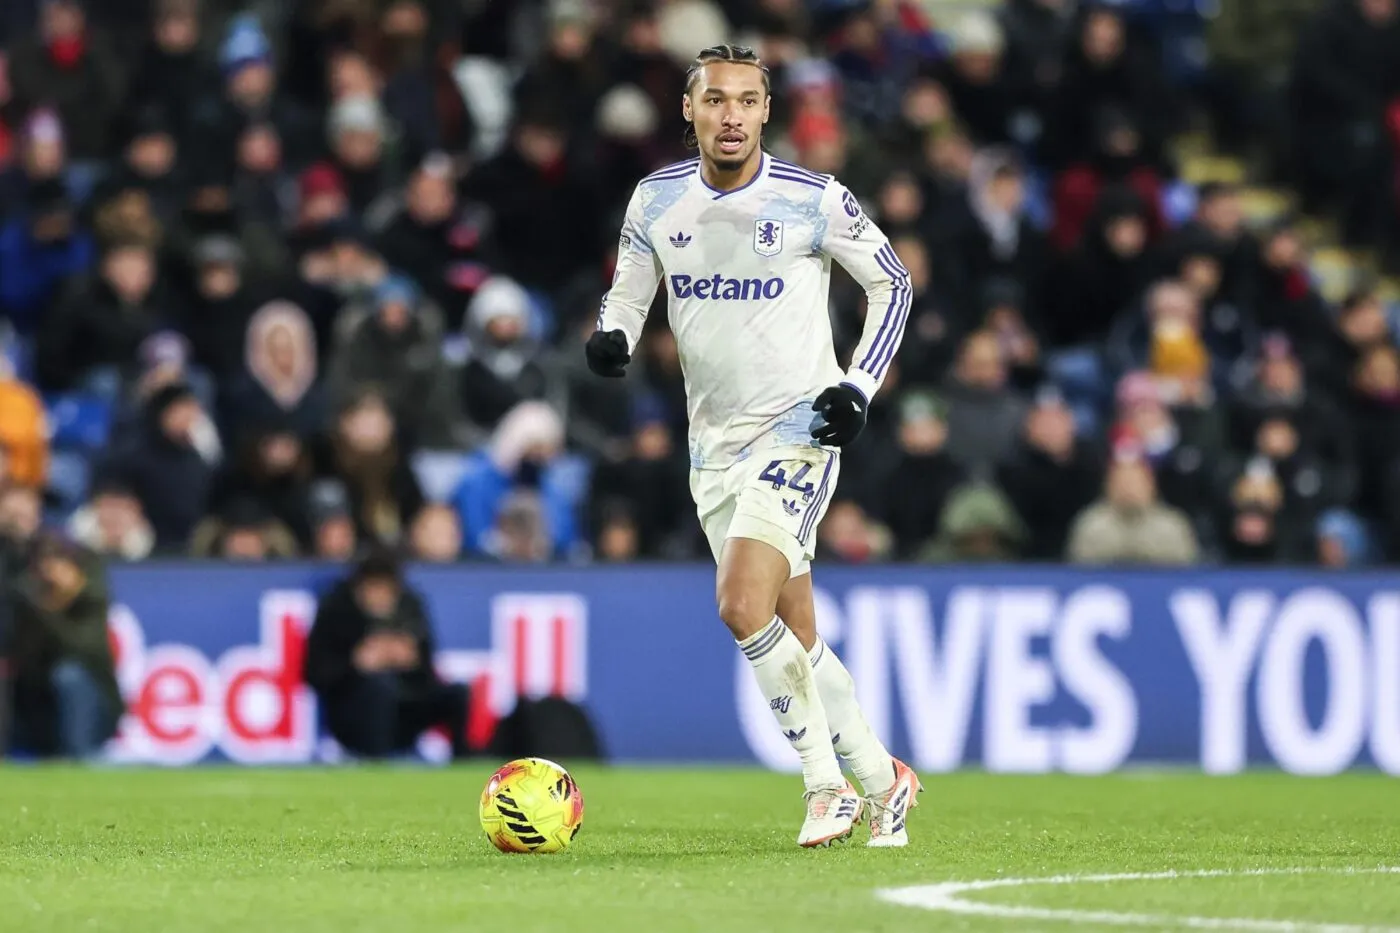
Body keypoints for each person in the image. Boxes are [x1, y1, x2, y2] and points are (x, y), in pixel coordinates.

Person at [585, 45, 918, 848]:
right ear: (689, 112)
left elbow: (892, 283)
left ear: (768, 112)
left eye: (746, 100)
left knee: (739, 602)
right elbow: (630, 287)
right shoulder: (656, 199)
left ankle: (825, 787)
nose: (730, 115)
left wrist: (858, 387)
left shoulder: (812, 199)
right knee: (795, 630)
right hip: (714, 443)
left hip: (801, 427)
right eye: (715, 100)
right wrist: (613, 334)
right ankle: (885, 778)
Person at [303, 548, 470, 760]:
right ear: (359, 588)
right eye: (372, 589)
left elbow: (428, 670)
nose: (378, 597)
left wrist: (411, 661)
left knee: (458, 693)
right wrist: (356, 665)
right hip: (354, 714)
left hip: (406, 708)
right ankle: (377, 765)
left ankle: (463, 763)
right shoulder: (335, 609)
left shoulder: (411, 605)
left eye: (385, 590)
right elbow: (313, 674)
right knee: (380, 686)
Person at [8, 534, 122, 759]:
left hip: (96, 704)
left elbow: (85, 650)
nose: (53, 574)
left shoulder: (92, 601)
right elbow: (25, 659)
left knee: (68, 674)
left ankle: (80, 752)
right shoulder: (27, 603)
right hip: (39, 704)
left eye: (59, 564)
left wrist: (49, 611)